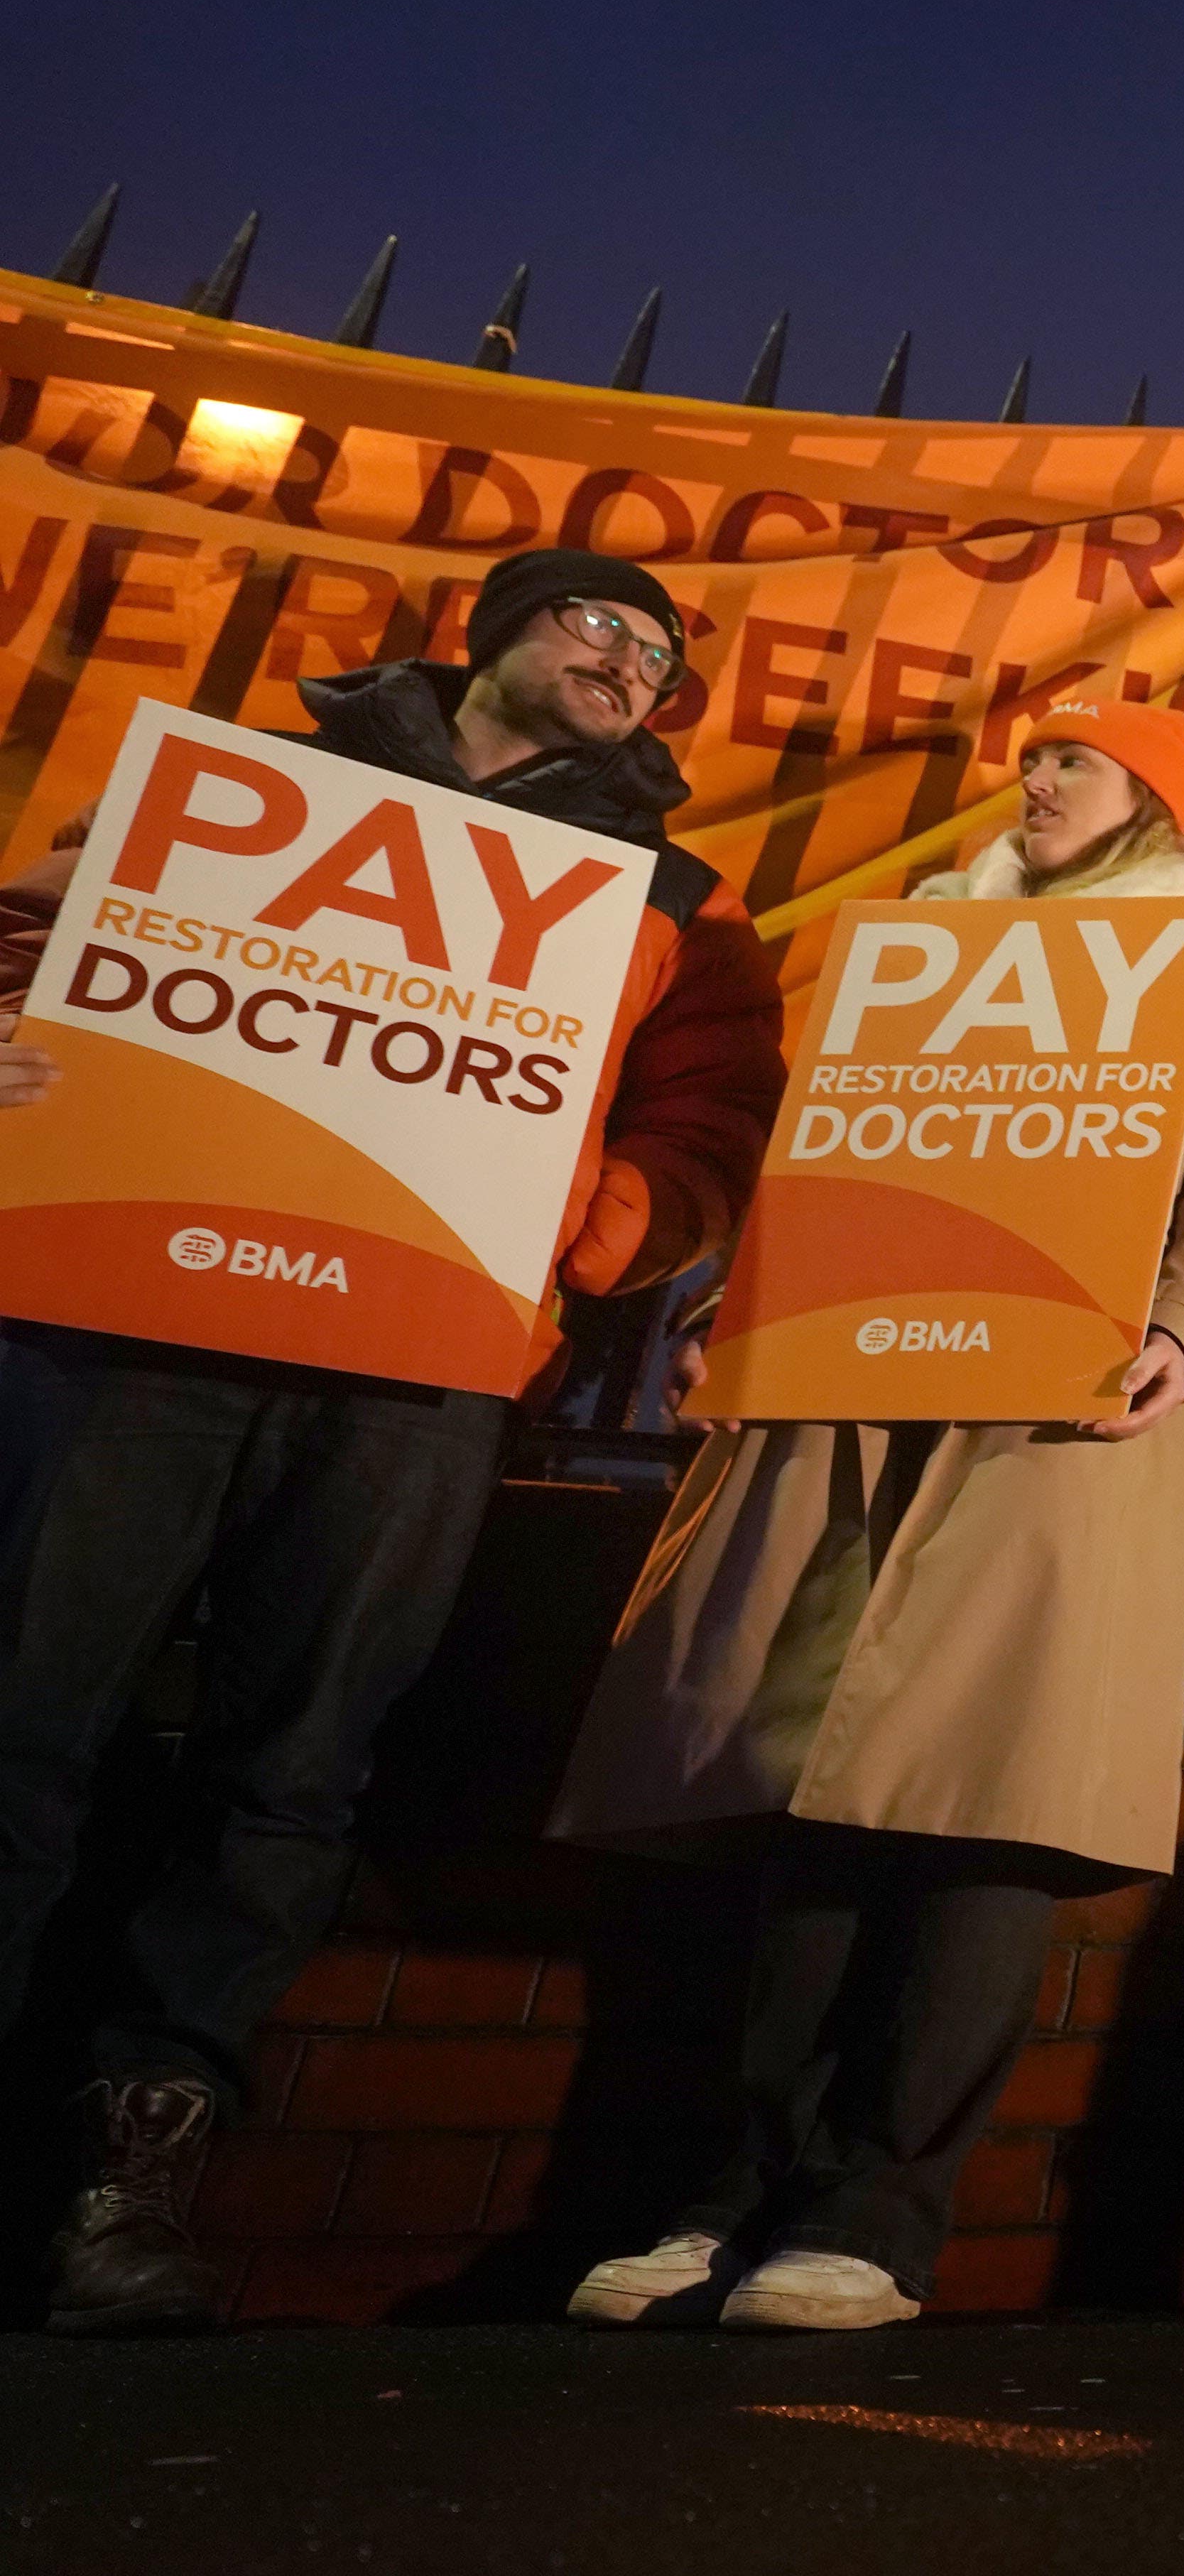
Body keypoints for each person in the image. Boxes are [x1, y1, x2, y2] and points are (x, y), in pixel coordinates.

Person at [0, 550, 785, 2335]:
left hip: (418, 1370)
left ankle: (133, 2171)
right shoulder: (248, 787)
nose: (632, 664)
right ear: (494, 634)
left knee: (295, 1769)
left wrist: (576, 1243)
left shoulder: (675, 896)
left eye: (661, 657)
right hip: (135, 1319)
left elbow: (712, 1122)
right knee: (21, 1714)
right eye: (601, 623)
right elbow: (37, 938)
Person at [545, 697, 1184, 2332]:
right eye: (1033, 758)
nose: (1035, 779)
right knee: (812, 1775)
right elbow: (825, 1160)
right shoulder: (920, 959)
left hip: (1064, 1413)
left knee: (986, 1791)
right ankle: (731, 2197)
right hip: (864, 1397)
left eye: (1075, 761)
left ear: (1153, 805)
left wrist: (1181, 1327)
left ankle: (878, 2215)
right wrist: (735, 1307)